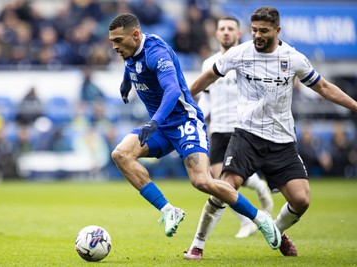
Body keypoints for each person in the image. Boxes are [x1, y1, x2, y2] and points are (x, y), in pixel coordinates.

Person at [186, 6, 357, 258]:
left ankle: (275, 231)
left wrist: (354, 105)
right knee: (224, 187)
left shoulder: (293, 58)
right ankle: (197, 245)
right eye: (254, 30)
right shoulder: (240, 53)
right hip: (246, 136)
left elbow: (322, 86)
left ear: (277, 30)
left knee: (302, 200)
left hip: (282, 141)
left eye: (264, 31)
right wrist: (184, 101)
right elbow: (208, 77)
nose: (257, 35)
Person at [108, 13, 281, 250]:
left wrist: (154, 122)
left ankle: (260, 218)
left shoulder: (156, 53)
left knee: (201, 181)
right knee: (120, 154)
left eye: (118, 40)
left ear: (135, 35)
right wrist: (126, 80)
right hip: (162, 126)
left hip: (184, 122)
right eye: (112, 41)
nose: (114, 46)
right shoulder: (131, 49)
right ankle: (169, 210)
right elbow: (132, 64)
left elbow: (171, 92)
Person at [184, 16, 274, 260]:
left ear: (239, 33)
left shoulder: (248, 60)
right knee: (218, 180)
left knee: (225, 181)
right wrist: (201, 117)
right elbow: (208, 96)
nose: (225, 33)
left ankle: (253, 196)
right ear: (216, 34)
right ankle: (250, 205)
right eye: (221, 29)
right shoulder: (209, 63)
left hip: (242, 128)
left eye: (230, 29)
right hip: (219, 129)